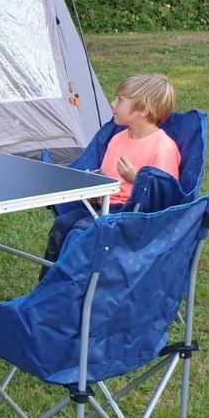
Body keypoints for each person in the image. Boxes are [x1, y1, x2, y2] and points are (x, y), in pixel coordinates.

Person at [41, 73, 182, 273]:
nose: (112, 103)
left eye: (120, 100)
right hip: (105, 206)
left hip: (132, 213)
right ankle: (47, 286)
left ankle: (73, 288)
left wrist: (137, 178)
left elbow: (165, 197)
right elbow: (106, 177)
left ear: (143, 109)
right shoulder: (117, 139)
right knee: (62, 225)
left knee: (81, 231)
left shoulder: (163, 147)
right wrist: (96, 193)